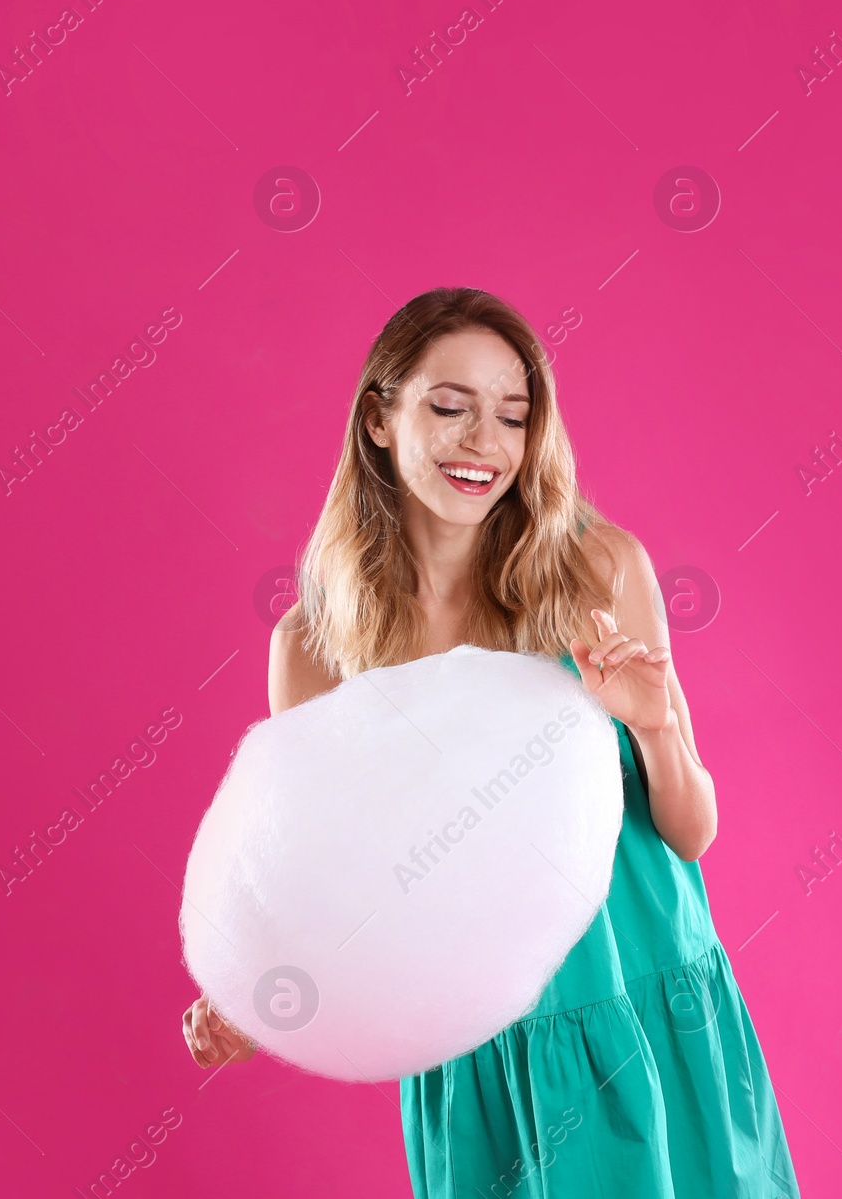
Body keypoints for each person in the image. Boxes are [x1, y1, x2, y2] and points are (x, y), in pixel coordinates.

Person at [182, 286, 800, 1198]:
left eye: (513, 417)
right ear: (380, 420)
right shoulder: (314, 651)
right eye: (449, 407)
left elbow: (692, 829)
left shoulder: (598, 569)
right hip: (485, 1057)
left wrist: (657, 725)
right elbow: (341, 889)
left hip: (645, 999)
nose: (485, 444)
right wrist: (262, 994)